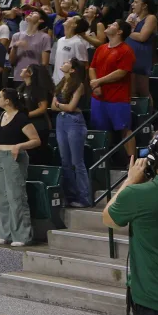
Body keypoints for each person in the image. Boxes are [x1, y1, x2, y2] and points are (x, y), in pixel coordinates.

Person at [104, 129, 158, 315]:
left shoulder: (137, 194)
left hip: (153, 302)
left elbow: (108, 218)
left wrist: (130, 181)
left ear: (153, 160)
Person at [0, 87, 40, 246]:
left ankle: (21, 235)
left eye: (0, 96)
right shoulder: (2, 115)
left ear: (8, 100)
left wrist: (19, 146)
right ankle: (5, 233)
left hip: (14, 158)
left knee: (15, 196)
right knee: (2, 196)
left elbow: (35, 140)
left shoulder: (21, 118)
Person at [90, 19, 136, 166]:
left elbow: (121, 72)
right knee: (101, 131)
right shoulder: (101, 48)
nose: (108, 25)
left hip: (118, 98)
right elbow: (92, 68)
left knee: (124, 130)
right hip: (99, 98)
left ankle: (131, 161)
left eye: (113, 25)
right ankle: (104, 161)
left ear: (120, 31)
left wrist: (99, 81)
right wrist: (95, 84)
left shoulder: (126, 50)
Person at [52, 59, 91, 208]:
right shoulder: (61, 82)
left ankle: (84, 197)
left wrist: (60, 106)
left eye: (68, 62)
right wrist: (62, 106)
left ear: (73, 69)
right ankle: (70, 196)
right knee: (65, 161)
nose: (64, 62)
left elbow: (71, 107)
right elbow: (53, 106)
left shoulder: (79, 85)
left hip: (74, 122)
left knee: (77, 162)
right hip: (60, 121)